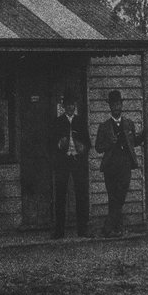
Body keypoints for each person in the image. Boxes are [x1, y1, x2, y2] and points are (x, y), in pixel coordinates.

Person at [94, 90, 146, 238]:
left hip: (125, 165)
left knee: (120, 195)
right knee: (113, 197)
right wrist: (110, 143)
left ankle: (107, 227)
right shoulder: (103, 126)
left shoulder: (129, 124)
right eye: (113, 104)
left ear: (122, 105)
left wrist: (143, 134)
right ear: (110, 106)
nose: (116, 106)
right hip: (110, 166)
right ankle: (116, 229)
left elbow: (133, 142)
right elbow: (98, 147)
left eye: (118, 103)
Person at [49, 88, 91, 238]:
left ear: (75, 105)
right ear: (63, 106)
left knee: (81, 194)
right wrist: (60, 144)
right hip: (63, 162)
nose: (70, 107)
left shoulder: (80, 121)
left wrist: (83, 147)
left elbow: (88, 143)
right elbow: (51, 143)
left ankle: (82, 229)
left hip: (77, 161)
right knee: (60, 196)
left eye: (72, 104)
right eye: (67, 104)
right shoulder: (58, 122)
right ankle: (59, 231)